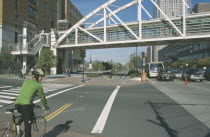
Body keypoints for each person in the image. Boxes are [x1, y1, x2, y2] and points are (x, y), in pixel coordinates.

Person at [14, 69, 50, 137]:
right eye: (41, 76)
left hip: (17, 104)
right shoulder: (38, 85)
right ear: (36, 76)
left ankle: (18, 124)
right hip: (26, 106)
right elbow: (42, 97)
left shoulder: (26, 81)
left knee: (26, 113)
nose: (41, 78)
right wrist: (46, 107)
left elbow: (25, 92)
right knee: (28, 128)